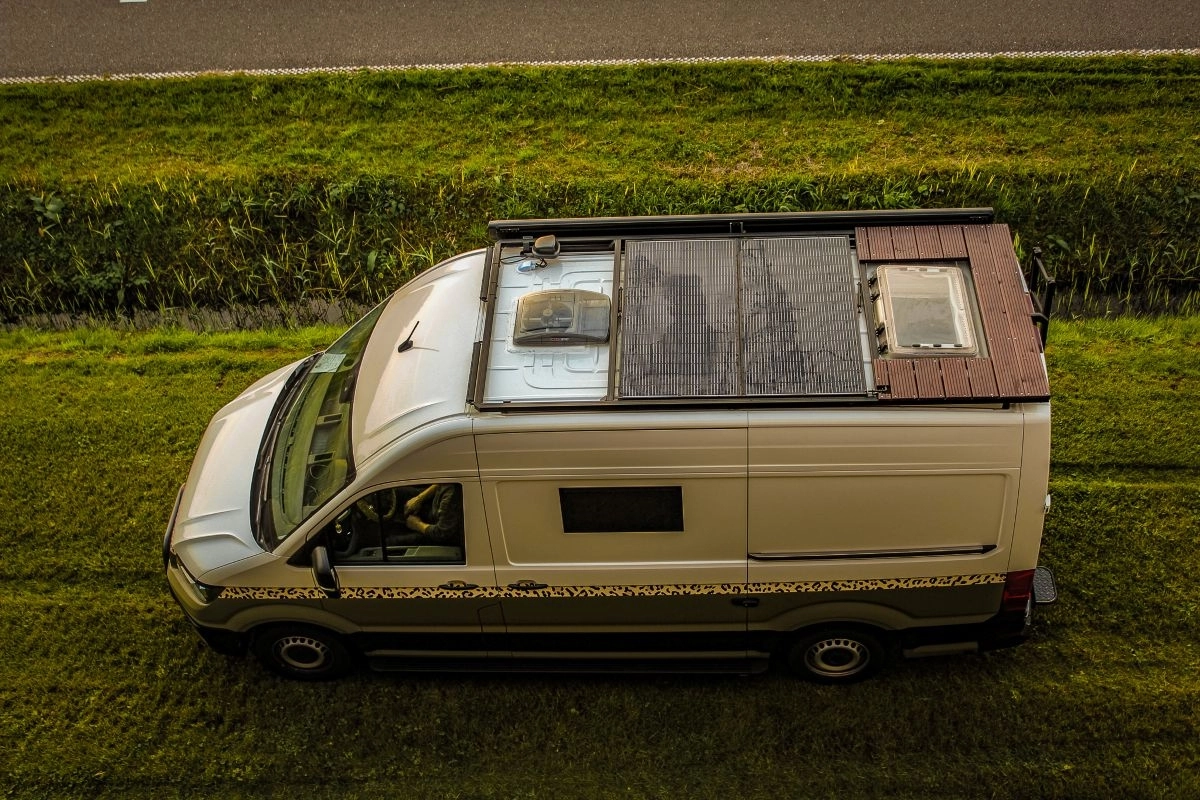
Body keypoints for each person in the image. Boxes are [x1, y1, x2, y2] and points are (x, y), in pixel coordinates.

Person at [386, 483, 463, 547]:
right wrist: (419, 498)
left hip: (439, 532)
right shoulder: (450, 480)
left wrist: (417, 525)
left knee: (391, 542)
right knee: (399, 492)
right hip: (436, 502)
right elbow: (441, 482)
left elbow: (441, 533)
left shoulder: (451, 497)